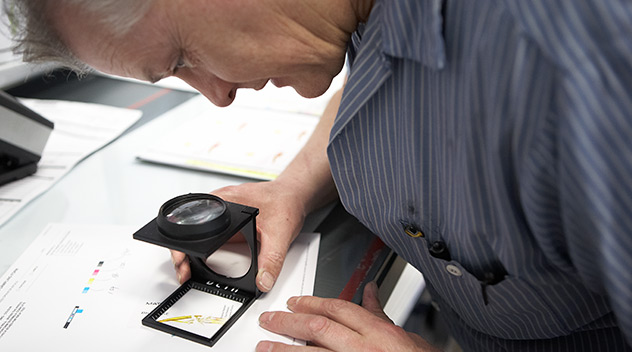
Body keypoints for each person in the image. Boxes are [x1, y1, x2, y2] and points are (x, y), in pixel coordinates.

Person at [5, 0, 632, 350]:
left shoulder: (576, 76)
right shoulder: (358, 13)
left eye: (183, 57)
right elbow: (384, 75)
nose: (216, 96)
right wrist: (295, 185)